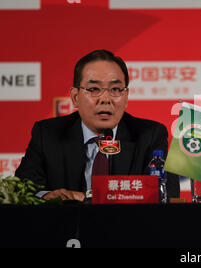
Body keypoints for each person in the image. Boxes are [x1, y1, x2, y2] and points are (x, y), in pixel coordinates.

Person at [15, 49, 180, 201]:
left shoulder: (150, 135)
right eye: (94, 89)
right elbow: (20, 189)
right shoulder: (48, 134)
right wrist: (48, 197)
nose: (105, 99)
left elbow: (167, 193)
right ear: (75, 97)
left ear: (126, 96)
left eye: (115, 89)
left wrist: (91, 199)